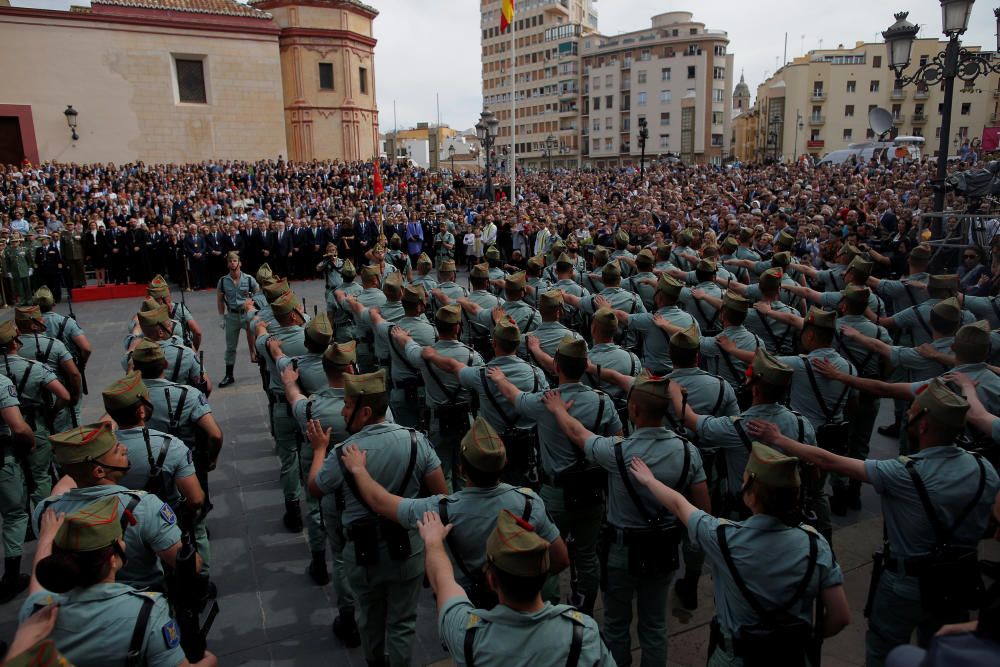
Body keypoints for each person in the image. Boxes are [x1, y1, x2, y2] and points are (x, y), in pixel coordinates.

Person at [745, 378, 1000, 667]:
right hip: (958, 579)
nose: (907, 414)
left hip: (905, 581)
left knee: (884, 648)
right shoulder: (985, 469)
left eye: (913, 411)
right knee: (939, 647)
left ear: (925, 426)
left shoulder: (904, 474)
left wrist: (779, 440)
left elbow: (831, 461)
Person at [630, 441, 850, 667]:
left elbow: (679, 504)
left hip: (736, 656)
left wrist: (649, 480)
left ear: (751, 497)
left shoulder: (723, 537)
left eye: (745, 483)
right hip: (791, 657)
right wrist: (809, 638)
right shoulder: (815, 544)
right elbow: (841, 616)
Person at [543, 374, 710, 666]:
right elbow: (703, 507)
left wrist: (558, 409)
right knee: (655, 626)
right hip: (664, 548)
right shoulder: (688, 452)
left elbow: (579, 434)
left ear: (633, 410)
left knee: (617, 626)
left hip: (622, 551)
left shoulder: (617, 452)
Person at [339, 416, 568, 607]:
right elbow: (561, 559)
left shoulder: (441, 510)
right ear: (504, 463)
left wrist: (359, 469)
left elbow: (381, 502)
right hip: (520, 603)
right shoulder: (530, 502)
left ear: (462, 469)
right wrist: (522, 583)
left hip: (470, 604)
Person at [306, 369, 447, 667]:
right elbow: (441, 493)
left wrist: (319, 449)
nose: (343, 411)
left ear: (365, 411)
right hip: (407, 546)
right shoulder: (415, 441)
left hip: (364, 552)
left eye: (346, 404)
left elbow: (316, 487)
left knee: (370, 619)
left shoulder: (344, 452)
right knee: (403, 622)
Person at [488, 336, 622, 616]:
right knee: (587, 552)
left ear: (557, 367)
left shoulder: (545, 402)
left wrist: (499, 378)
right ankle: (586, 603)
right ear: (586, 366)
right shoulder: (603, 402)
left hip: (556, 492)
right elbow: (617, 442)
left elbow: (513, 396)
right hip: (592, 491)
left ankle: (547, 605)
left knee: (545, 549)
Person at [20, 497, 218, 666]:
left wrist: (47, 537)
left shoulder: (37, 611)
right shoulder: (148, 611)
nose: (123, 542)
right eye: (119, 541)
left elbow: (38, 583)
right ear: (112, 560)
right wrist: (209, 661)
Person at [419, 509, 614, 667]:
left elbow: (442, 580)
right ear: (544, 575)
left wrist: (433, 541)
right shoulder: (583, 635)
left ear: (492, 581)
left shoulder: (467, 635)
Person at [35, 421, 200, 592]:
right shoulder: (144, 506)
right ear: (99, 471)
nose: (124, 448)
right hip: (144, 603)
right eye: (116, 450)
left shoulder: (45, 512)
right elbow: (191, 565)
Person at [0, 320, 70, 509]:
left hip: (5, 431)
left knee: (17, 478)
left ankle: (26, 520)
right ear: (15, 343)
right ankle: (44, 515)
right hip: (34, 425)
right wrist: (54, 411)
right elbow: (64, 395)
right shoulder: (34, 367)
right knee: (40, 476)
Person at [255, 290, 309, 532]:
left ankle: (293, 509)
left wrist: (262, 327)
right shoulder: (309, 334)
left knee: (288, 458)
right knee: (310, 453)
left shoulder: (267, 342)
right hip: (307, 403)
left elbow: (258, 331)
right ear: (295, 314)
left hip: (282, 405)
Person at [0, 371, 35, 604]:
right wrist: (30, 443)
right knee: (14, 515)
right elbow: (18, 427)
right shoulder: (1, 383)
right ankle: (11, 577)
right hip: (2, 460)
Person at [216, 252, 259, 387]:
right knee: (230, 347)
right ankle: (229, 375)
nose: (233, 263)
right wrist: (221, 316)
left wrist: (252, 303)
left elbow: (258, 292)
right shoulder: (223, 281)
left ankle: (265, 367)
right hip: (232, 316)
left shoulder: (249, 279)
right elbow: (220, 300)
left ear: (240, 263)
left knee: (258, 343)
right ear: (228, 264)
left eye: (235, 261)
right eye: (230, 261)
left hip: (247, 314)